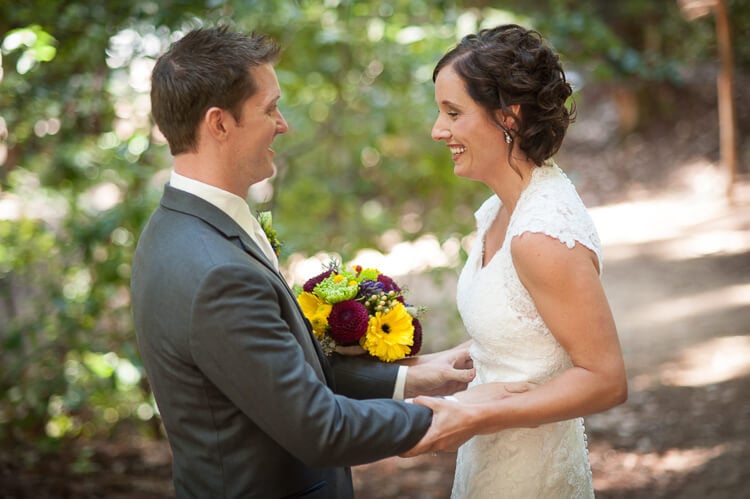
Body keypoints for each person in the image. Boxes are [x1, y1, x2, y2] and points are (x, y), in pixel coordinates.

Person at [130, 26, 476, 499]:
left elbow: (274, 376)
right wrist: (460, 415)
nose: (283, 123)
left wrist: (413, 378)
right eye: (269, 108)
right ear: (219, 124)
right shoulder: (217, 273)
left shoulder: (172, 229)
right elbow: (319, 427)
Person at [403, 24, 628, 498]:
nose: (437, 130)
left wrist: (477, 413)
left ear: (508, 117)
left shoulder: (539, 234)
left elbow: (605, 380)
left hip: (531, 475)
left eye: (453, 112)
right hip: (491, 461)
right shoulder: (501, 208)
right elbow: (527, 328)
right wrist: (452, 363)